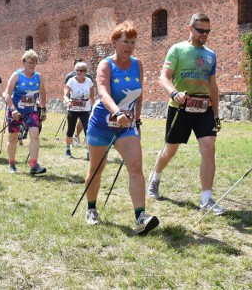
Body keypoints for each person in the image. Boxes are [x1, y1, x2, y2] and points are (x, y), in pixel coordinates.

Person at [83, 20, 159, 235]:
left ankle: (141, 217)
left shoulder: (138, 64)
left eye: (133, 42)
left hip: (127, 126)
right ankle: (91, 209)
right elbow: (103, 92)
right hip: (102, 123)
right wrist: (116, 111)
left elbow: (139, 94)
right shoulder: (106, 65)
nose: (129, 46)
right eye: (125, 41)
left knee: (135, 166)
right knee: (97, 168)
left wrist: (138, 120)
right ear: (115, 42)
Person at [147, 13, 224, 215]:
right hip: (180, 106)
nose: (205, 35)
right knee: (170, 151)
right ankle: (155, 177)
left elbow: (213, 86)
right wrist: (174, 92)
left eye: (208, 31)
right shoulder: (177, 50)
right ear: (190, 29)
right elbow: (163, 77)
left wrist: (216, 114)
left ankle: (206, 199)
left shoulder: (211, 54)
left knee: (209, 148)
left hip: (203, 108)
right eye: (201, 30)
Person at [2, 49, 47, 175]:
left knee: (35, 135)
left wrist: (43, 109)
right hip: (15, 111)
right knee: (13, 138)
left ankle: (33, 165)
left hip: (31, 111)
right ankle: (11, 164)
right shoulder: (16, 75)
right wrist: (13, 109)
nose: (31, 65)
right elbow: (7, 94)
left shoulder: (39, 77)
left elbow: (42, 93)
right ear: (23, 62)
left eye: (34, 63)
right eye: (29, 62)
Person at [63, 61, 94, 158]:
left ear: (85, 72)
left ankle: (89, 151)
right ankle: (68, 149)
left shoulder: (89, 81)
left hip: (85, 110)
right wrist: (68, 101)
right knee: (70, 130)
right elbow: (65, 95)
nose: (79, 72)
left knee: (88, 130)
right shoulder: (71, 81)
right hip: (73, 109)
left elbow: (92, 96)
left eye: (81, 70)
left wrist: (94, 108)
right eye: (77, 70)